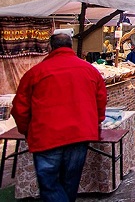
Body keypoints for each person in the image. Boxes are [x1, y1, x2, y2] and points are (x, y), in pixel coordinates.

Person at [11, 33, 107, 202]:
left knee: (49, 184)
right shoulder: (89, 70)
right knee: (70, 182)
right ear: (70, 46)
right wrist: (97, 121)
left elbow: (20, 108)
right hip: (80, 133)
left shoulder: (35, 72)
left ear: (50, 47)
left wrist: (26, 130)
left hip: (47, 135)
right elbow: (101, 99)